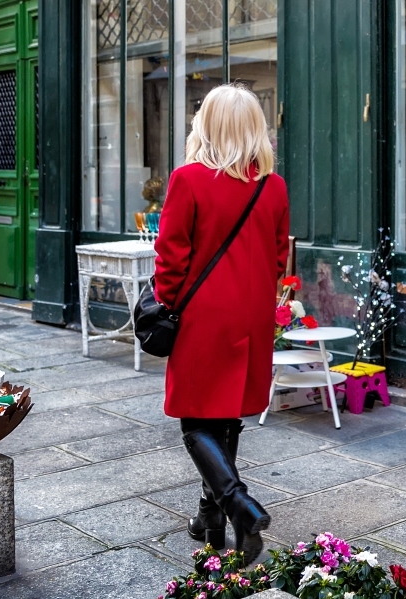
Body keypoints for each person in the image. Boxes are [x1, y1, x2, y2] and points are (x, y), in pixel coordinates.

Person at [153, 84, 290, 565]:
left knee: (196, 422)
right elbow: (278, 256)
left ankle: (238, 503)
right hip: (250, 314)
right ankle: (209, 516)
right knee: (226, 415)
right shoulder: (272, 186)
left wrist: (165, 304)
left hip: (203, 315)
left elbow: (171, 257)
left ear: (206, 125)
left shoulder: (188, 179)